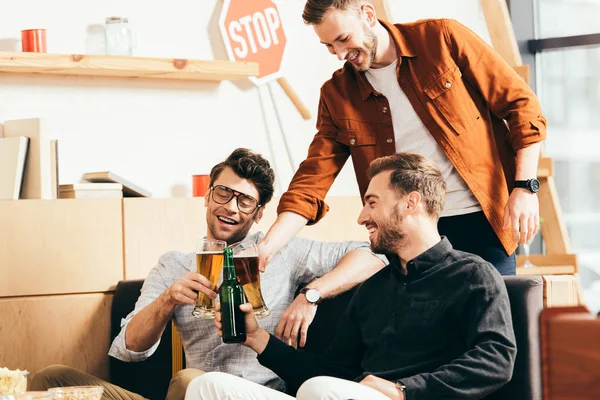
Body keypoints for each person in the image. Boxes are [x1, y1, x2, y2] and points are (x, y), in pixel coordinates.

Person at [30, 148, 386, 400]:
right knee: (51, 377)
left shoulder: (283, 253)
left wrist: (312, 294)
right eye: (223, 193)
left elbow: (373, 255)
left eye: (244, 201)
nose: (230, 207)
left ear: (259, 213)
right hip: (183, 394)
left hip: (243, 394)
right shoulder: (175, 264)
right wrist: (168, 299)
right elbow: (129, 349)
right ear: (207, 196)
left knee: (192, 379)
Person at [187, 152, 516, 400]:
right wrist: (255, 337)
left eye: (372, 203)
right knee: (208, 386)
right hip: (340, 395)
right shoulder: (372, 291)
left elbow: (496, 360)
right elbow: (329, 372)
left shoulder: (473, 275)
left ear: (411, 203)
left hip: (405, 398)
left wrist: (404, 390)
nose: (362, 216)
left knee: (320, 390)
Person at [258, 0, 547, 276]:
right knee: (424, 328)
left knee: (490, 322)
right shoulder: (338, 94)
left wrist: (524, 186)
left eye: (343, 39)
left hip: (482, 223)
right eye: (329, 46)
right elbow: (312, 180)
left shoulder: (442, 38)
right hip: (408, 235)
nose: (339, 53)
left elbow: (521, 106)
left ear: (368, 15)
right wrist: (269, 245)